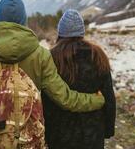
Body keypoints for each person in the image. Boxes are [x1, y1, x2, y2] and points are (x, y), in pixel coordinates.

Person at [0, 0, 105, 113]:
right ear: (23, 20)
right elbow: (65, 99)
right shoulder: (41, 55)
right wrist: (97, 100)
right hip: (26, 137)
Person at [42, 9, 116, 149]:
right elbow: (109, 97)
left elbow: (45, 99)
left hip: (59, 134)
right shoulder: (98, 55)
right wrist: (107, 130)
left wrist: (46, 133)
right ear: (82, 32)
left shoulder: (51, 57)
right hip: (92, 133)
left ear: (60, 33)